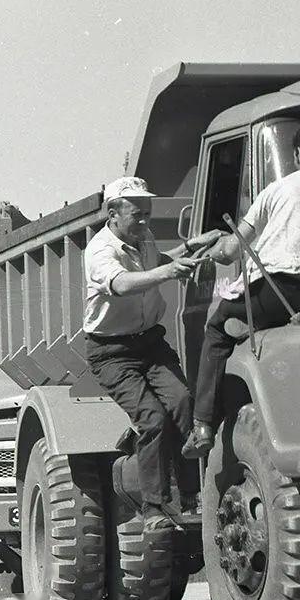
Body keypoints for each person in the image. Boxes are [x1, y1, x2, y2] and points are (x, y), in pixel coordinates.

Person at [182, 119, 300, 457]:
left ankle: (202, 425)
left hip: (273, 293)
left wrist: (212, 245)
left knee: (216, 328)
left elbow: (230, 251)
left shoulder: (280, 188)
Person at [83, 175, 223, 530]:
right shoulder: (100, 251)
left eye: (147, 213)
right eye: (137, 214)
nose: (145, 221)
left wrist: (192, 247)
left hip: (150, 343)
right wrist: (168, 272)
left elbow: (159, 259)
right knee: (152, 419)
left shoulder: (141, 238)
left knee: (183, 403)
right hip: (111, 353)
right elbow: (122, 284)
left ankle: (190, 497)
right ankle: (153, 509)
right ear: (112, 213)